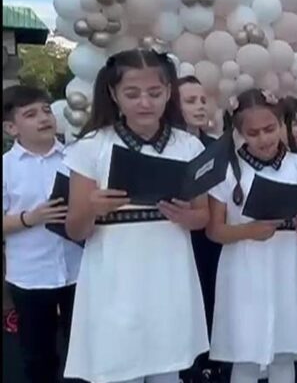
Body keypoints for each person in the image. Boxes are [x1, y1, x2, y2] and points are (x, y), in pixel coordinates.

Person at [63, 49, 209, 383]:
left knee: (167, 370)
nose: (145, 102)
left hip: (169, 276)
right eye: (132, 94)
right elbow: (75, 229)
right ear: (113, 94)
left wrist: (186, 216)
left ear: (169, 92)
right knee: (119, 368)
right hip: (114, 279)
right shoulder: (92, 146)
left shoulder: (188, 146)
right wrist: (92, 209)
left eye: (154, 93)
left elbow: (203, 216)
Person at [205, 89, 297, 383]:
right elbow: (214, 230)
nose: (264, 139)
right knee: (245, 356)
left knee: (284, 353)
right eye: (253, 133)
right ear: (239, 133)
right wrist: (248, 231)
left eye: (270, 129)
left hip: (285, 267)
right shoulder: (227, 170)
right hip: (244, 271)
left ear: (281, 124)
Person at [2, 85, 82, 383]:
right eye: (30, 114)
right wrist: (30, 218)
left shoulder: (77, 158)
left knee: (85, 353)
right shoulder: (6, 167)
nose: (44, 118)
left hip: (79, 270)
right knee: (38, 358)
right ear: (11, 128)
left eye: (46, 110)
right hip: (31, 275)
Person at [176, 75, 228, 383]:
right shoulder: (166, 148)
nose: (200, 107)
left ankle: (210, 363)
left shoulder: (217, 148)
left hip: (210, 239)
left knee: (210, 297)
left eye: (203, 100)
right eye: (190, 101)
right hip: (175, 237)